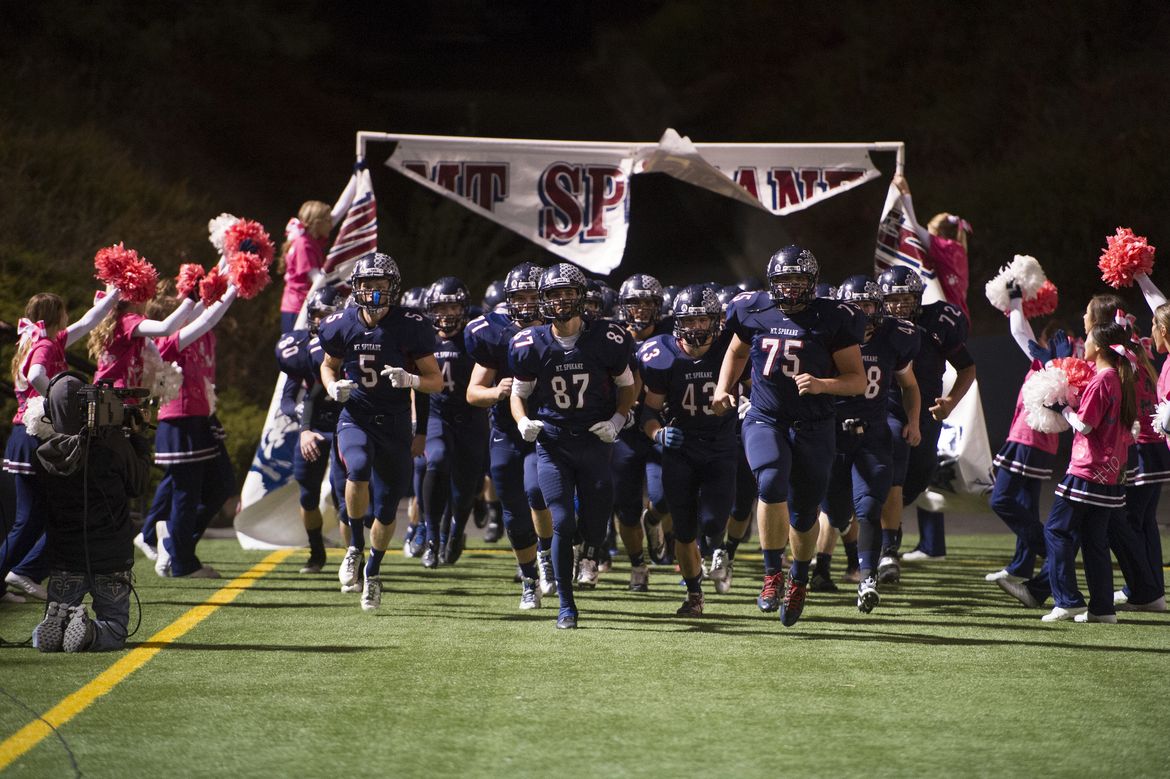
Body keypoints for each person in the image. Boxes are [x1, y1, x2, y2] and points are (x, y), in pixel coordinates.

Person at [714, 246, 867, 627]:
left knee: (804, 514)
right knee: (769, 481)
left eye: (799, 281)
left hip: (814, 426)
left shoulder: (834, 317)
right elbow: (735, 352)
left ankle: (799, 578)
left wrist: (822, 384)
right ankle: (771, 575)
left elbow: (857, 381)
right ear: (773, 282)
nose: (792, 288)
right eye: (785, 281)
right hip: (766, 417)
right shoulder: (751, 307)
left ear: (812, 283)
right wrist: (723, 387)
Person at [509, 263, 637, 629]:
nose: (561, 300)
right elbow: (519, 394)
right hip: (554, 443)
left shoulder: (607, 337)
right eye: (553, 293)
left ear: (581, 297)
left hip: (595, 440)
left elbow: (627, 385)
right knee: (562, 522)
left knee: (595, 526)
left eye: (568, 292)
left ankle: (592, 551)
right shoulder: (530, 342)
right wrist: (522, 421)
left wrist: (618, 419)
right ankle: (566, 604)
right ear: (543, 299)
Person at [318, 252, 442, 612]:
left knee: (388, 509)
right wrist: (331, 387)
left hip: (395, 422)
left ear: (393, 287)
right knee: (356, 469)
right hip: (356, 415)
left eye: (380, 285)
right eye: (367, 284)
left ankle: (372, 573)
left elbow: (436, 381)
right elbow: (328, 367)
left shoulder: (411, 325)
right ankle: (355, 547)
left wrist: (413, 379)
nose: (373, 291)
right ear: (356, 288)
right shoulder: (341, 324)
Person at [998, 320, 1136, 622]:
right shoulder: (1120, 378)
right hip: (1110, 472)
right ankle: (1102, 609)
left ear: (1098, 347)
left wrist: (1062, 408)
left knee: (1056, 529)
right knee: (1094, 539)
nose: (1081, 343)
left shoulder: (1103, 379)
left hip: (1088, 468)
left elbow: (1085, 424)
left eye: (1086, 339)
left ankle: (1067, 599)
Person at [2, 288, 120, 603]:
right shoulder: (42, 344)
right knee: (41, 517)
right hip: (35, 437)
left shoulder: (44, 340)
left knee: (40, 517)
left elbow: (87, 323)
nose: (69, 318)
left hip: (28, 437)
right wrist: (58, 400)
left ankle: (20, 574)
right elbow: (37, 374)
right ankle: (23, 572)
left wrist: (111, 297)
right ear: (57, 316)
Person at [816, 275, 921, 613]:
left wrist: (914, 420)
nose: (861, 311)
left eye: (868, 305)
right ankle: (809, 570)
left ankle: (867, 579)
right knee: (833, 511)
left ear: (879, 306)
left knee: (869, 508)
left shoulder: (896, 337)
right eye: (854, 305)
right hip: (832, 435)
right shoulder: (828, 337)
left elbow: (909, 386)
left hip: (873, 433)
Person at [31, 373, 152, 652]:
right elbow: (139, 484)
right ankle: (89, 629)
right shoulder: (114, 446)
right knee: (115, 628)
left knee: (57, 622)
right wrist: (137, 438)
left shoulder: (44, 455)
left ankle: (54, 625)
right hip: (111, 558)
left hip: (65, 558)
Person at [640, 285, 736, 615]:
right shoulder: (663, 355)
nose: (695, 328)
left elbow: (753, 392)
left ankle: (719, 549)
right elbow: (649, 412)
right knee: (683, 530)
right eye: (689, 321)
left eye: (702, 320)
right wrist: (659, 435)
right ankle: (694, 595)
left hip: (721, 447)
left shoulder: (729, 350)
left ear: (715, 322)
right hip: (680, 448)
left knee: (712, 524)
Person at [465, 262, 556, 608]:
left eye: (535, 295)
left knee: (537, 492)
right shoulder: (498, 335)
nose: (529, 303)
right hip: (505, 430)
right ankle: (529, 578)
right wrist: (497, 392)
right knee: (513, 512)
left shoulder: (556, 332)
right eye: (521, 296)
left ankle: (546, 555)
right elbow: (473, 393)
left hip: (545, 431)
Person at [876, 266, 976, 579]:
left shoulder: (938, 322)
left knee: (918, 477)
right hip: (887, 408)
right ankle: (885, 546)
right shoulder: (877, 326)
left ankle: (886, 523)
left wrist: (951, 401)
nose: (900, 305)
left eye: (906, 298)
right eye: (893, 299)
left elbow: (967, 367)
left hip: (927, 410)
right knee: (890, 476)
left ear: (918, 297)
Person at [149, 283, 239, 579]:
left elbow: (203, 310)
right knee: (186, 494)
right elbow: (208, 317)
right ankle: (181, 560)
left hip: (199, 417)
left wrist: (228, 269)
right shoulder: (169, 342)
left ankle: (173, 541)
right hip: (181, 419)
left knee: (218, 484)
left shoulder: (180, 339)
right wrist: (235, 286)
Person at [983, 283, 1068, 584]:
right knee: (1027, 505)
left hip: (1028, 441)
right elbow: (1024, 332)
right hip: (1040, 444)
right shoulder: (1056, 366)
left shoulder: (1054, 367)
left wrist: (1016, 299)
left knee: (1001, 500)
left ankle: (1051, 551)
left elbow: (1020, 333)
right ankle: (1021, 566)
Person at [275, 285, 345, 573]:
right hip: (314, 425)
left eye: (328, 315)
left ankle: (355, 558)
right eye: (316, 315)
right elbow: (288, 399)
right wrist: (302, 418)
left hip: (346, 424)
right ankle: (317, 552)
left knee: (345, 494)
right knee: (308, 493)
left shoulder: (352, 342)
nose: (320, 321)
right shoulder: (302, 349)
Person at [420, 276, 488, 566]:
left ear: (463, 308)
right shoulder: (423, 337)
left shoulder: (476, 337)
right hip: (439, 414)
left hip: (471, 416)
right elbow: (419, 384)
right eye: (439, 308)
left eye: (451, 309)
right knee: (436, 460)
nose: (445, 316)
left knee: (465, 485)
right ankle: (432, 536)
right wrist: (417, 426)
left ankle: (457, 530)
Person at [609, 273, 671, 592]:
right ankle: (637, 565)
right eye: (635, 302)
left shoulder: (674, 333)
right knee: (626, 507)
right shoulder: (612, 336)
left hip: (661, 426)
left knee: (663, 497)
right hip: (627, 429)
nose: (642, 309)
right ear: (623, 306)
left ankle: (655, 521)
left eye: (648, 302)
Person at [892, 174, 972, 319]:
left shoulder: (945, 248)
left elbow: (913, 227)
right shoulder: (958, 249)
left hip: (948, 315)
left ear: (939, 233)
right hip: (961, 315)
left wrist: (905, 193)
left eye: (931, 233)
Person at [279, 200, 333, 333]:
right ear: (317, 223)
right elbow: (317, 279)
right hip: (297, 309)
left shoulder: (310, 239)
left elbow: (337, 213)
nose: (331, 225)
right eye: (328, 221)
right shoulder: (303, 245)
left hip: (302, 306)